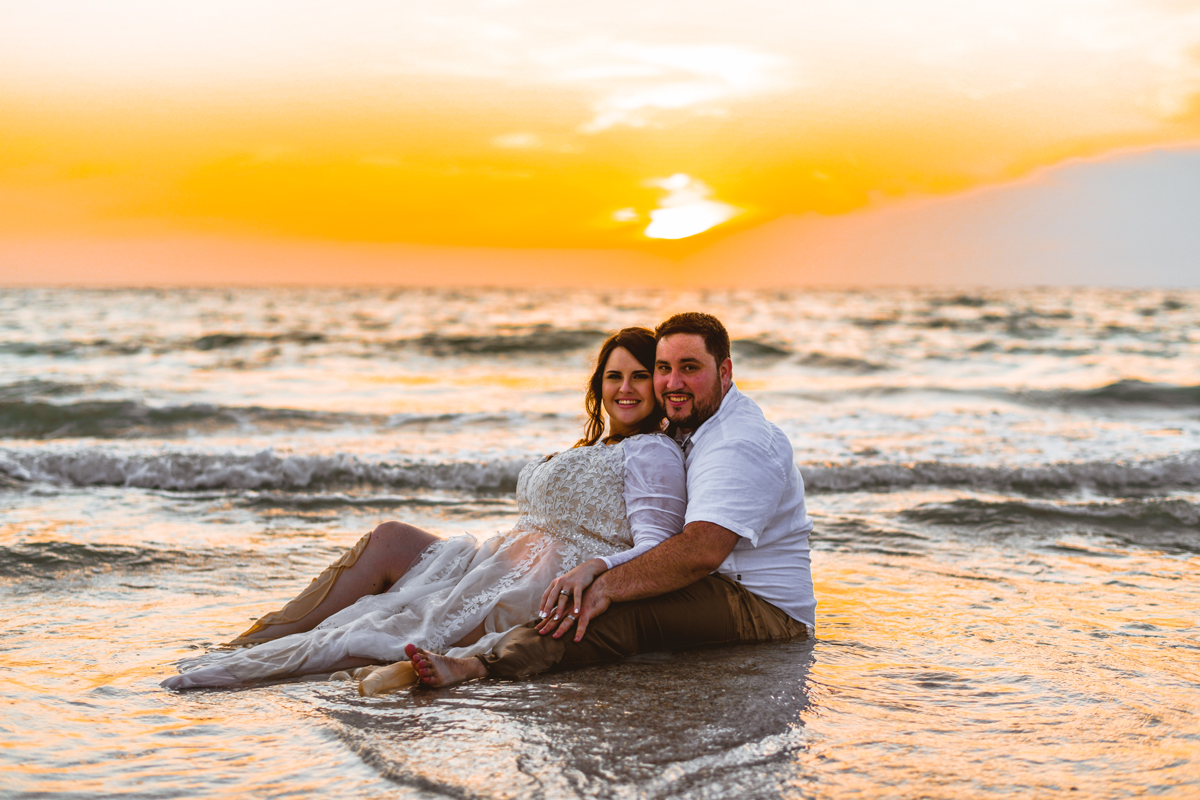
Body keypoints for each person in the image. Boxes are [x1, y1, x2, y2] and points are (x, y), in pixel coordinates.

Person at [161, 327, 687, 690]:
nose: (624, 388)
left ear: (660, 386)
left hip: (538, 582)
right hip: (498, 559)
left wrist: (591, 574)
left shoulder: (653, 452)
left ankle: (254, 668)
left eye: (640, 376)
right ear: (599, 385)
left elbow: (657, 548)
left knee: (396, 630)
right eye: (614, 376)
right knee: (390, 537)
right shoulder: (594, 448)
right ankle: (257, 639)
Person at [406, 312, 815, 687]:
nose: (673, 383)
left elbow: (700, 552)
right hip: (714, 581)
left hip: (761, 605)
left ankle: (479, 666)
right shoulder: (688, 422)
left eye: (690, 368)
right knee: (600, 594)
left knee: (615, 612)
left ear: (724, 371)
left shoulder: (737, 442)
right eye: (663, 369)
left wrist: (606, 584)